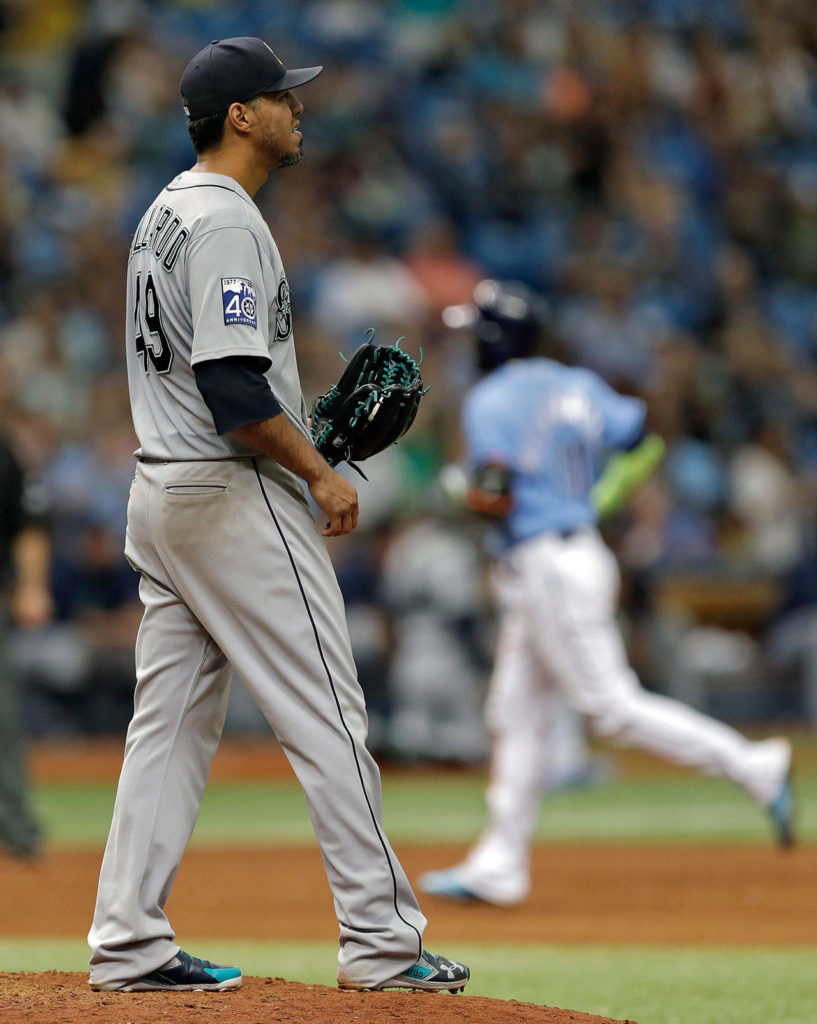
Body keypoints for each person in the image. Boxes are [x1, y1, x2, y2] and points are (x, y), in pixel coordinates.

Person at [87, 37, 469, 995]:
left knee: (167, 726)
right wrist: (321, 472)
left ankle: (128, 941)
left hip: (165, 494)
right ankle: (382, 945)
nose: (300, 111)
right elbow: (230, 385)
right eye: (282, 99)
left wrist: (305, 441)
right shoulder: (222, 221)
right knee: (328, 710)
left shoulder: (164, 213)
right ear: (240, 116)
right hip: (230, 496)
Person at [419, 279, 795, 907]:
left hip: (547, 565)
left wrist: (457, 490)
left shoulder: (491, 398)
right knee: (514, 711)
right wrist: (602, 497)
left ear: (493, 339)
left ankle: (751, 765)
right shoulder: (578, 384)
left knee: (609, 707)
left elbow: (496, 493)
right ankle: (500, 864)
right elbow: (642, 439)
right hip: (574, 551)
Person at [0, 431, 53, 858]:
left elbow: (29, 520)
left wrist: (32, 586)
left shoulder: (4, 451)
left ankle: (16, 828)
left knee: (2, 721)